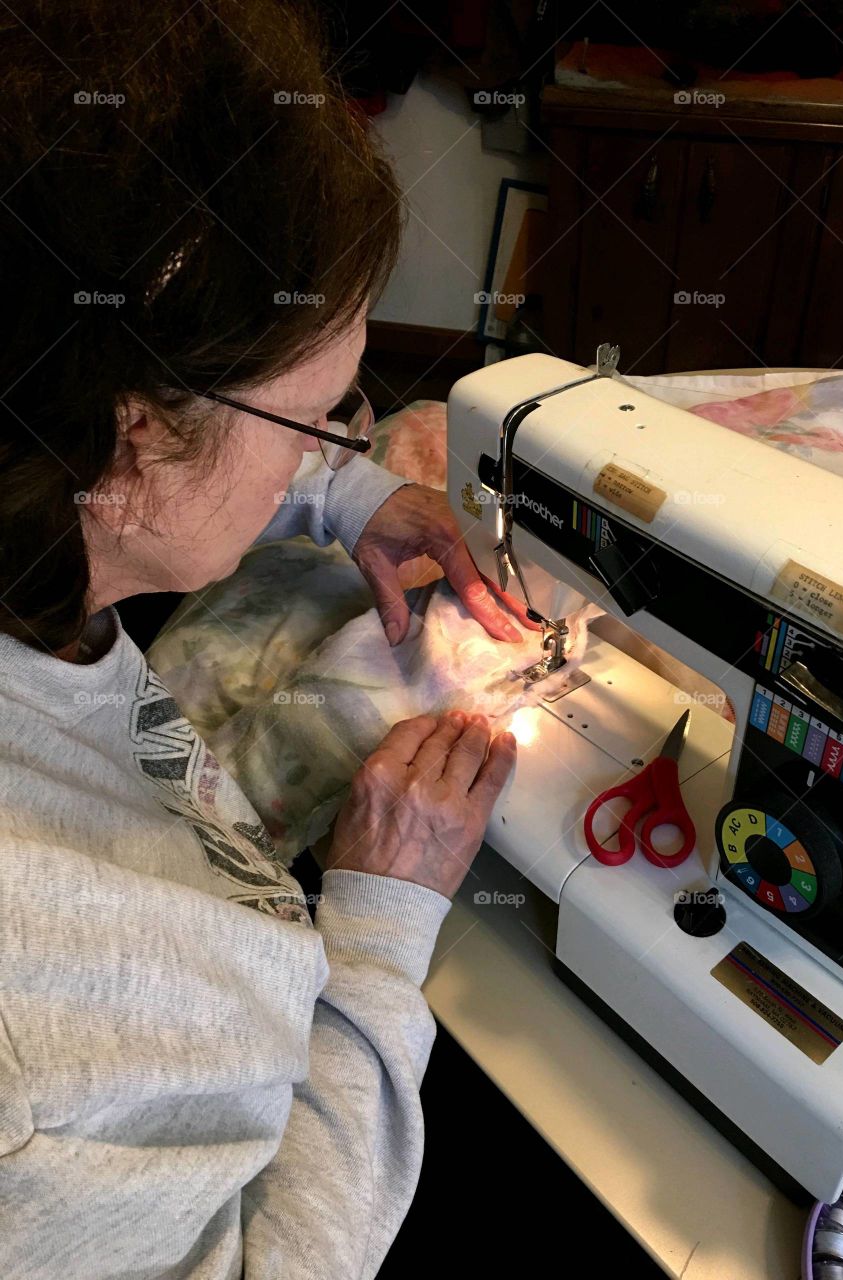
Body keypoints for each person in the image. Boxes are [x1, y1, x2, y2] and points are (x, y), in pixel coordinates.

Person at [0, 2, 520, 1275]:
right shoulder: (40, 1012)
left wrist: (347, 494)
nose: (339, 442)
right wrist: (382, 935)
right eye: (315, 417)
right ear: (134, 437)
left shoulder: (45, 501)